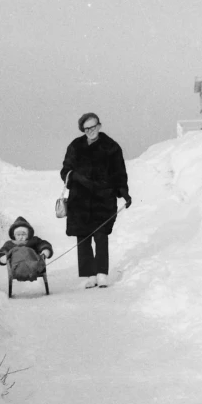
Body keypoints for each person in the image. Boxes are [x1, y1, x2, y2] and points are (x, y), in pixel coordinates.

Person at [60, 112, 130, 288]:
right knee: (83, 238)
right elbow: (65, 170)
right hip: (80, 199)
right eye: (87, 128)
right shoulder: (75, 146)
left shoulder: (111, 147)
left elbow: (119, 172)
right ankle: (89, 275)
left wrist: (124, 193)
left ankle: (101, 274)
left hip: (103, 198)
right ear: (83, 130)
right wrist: (75, 176)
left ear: (99, 125)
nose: (90, 130)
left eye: (93, 126)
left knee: (101, 235)